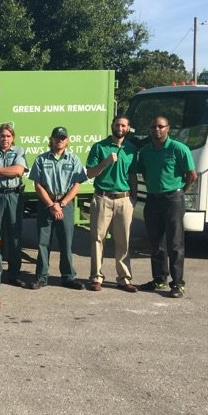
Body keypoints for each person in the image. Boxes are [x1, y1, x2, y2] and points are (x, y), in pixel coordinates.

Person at [137, 115, 197, 298]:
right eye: (154, 127)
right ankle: (159, 279)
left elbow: (192, 176)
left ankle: (178, 284)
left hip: (173, 199)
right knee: (156, 243)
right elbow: (145, 173)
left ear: (168, 128)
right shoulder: (146, 151)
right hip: (153, 199)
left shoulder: (179, 149)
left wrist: (181, 192)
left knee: (175, 243)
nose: (157, 130)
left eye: (161, 126)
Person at [28, 126, 87, 290]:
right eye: (57, 137)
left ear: (67, 141)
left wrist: (61, 204)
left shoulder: (73, 159)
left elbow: (76, 185)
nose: (59, 140)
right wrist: (51, 205)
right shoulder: (41, 159)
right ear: (51, 139)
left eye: (63, 138)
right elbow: (37, 185)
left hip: (65, 204)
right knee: (42, 243)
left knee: (66, 242)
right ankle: (41, 277)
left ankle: (68, 277)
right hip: (46, 203)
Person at [86, 116, 138, 293]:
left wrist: (134, 197)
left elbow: (132, 176)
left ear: (128, 128)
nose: (120, 128)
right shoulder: (99, 147)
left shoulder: (131, 150)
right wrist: (105, 162)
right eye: (117, 125)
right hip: (102, 197)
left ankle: (124, 278)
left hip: (124, 199)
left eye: (124, 125)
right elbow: (90, 173)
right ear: (112, 126)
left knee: (123, 240)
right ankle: (96, 277)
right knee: (97, 239)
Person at [0, 124, 28, 287]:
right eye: (2, 136)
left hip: (14, 195)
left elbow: (18, 171)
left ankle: (14, 274)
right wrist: (6, 170)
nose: (5, 139)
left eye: (8, 136)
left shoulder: (19, 151)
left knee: (14, 235)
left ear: (13, 138)